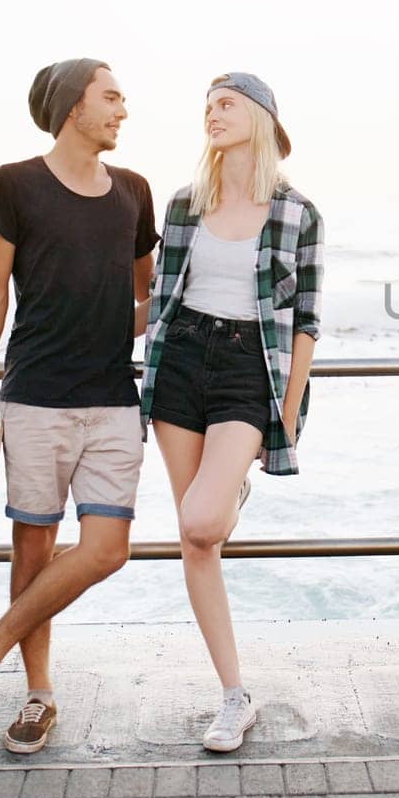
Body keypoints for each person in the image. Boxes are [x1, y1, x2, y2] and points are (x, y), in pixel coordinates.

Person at [0, 58, 159, 754]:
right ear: (74, 106)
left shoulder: (134, 192)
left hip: (112, 400)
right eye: (112, 97)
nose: (123, 110)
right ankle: (37, 696)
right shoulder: (13, 185)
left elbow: (143, 300)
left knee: (108, 549)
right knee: (34, 548)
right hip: (36, 397)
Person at [139, 71, 323, 751]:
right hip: (181, 361)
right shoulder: (185, 204)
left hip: (250, 370)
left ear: (261, 118)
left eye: (226, 105)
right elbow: (159, 297)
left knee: (203, 516)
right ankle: (233, 695)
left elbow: (306, 322)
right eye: (207, 107)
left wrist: (287, 414)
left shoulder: (298, 214)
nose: (212, 115)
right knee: (196, 540)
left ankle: (231, 483)